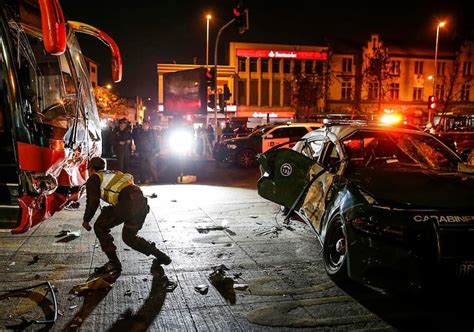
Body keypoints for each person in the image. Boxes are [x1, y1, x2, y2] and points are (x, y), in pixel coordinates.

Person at [82, 156, 171, 273]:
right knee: (129, 238)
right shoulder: (112, 174)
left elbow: (93, 201)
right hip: (141, 203)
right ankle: (162, 256)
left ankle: (114, 263)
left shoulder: (94, 178)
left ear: (91, 169)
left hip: (128, 203)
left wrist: (86, 220)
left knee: (99, 226)